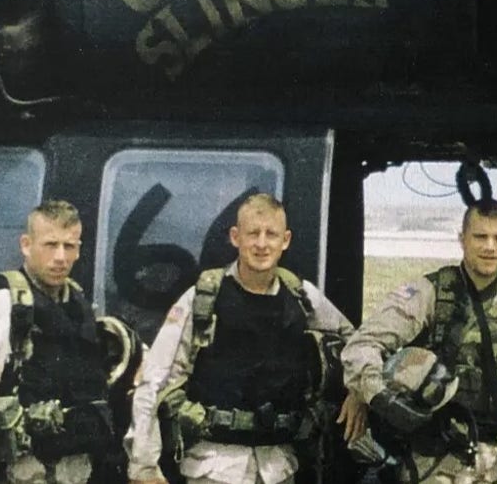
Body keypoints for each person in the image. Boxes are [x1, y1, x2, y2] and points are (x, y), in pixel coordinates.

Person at [125, 193, 367, 484]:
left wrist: (357, 390)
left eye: (271, 234)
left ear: (285, 240)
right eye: (253, 233)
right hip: (215, 467)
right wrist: (144, 466)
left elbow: (358, 343)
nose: (262, 244)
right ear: (235, 237)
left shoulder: (302, 297)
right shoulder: (203, 298)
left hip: (278, 466)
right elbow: (156, 377)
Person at [342, 198, 497, 484]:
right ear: (462, 239)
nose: (490, 247)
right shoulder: (430, 294)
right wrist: (378, 396)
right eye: (480, 237)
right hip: (436, 463)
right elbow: (363, 345)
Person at [0, 200, 119, 484]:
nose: (60, 257)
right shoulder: (2, 303)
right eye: (50, 245)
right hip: (23, 473)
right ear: (26, 245)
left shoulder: (77, 304)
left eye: (69, 246)